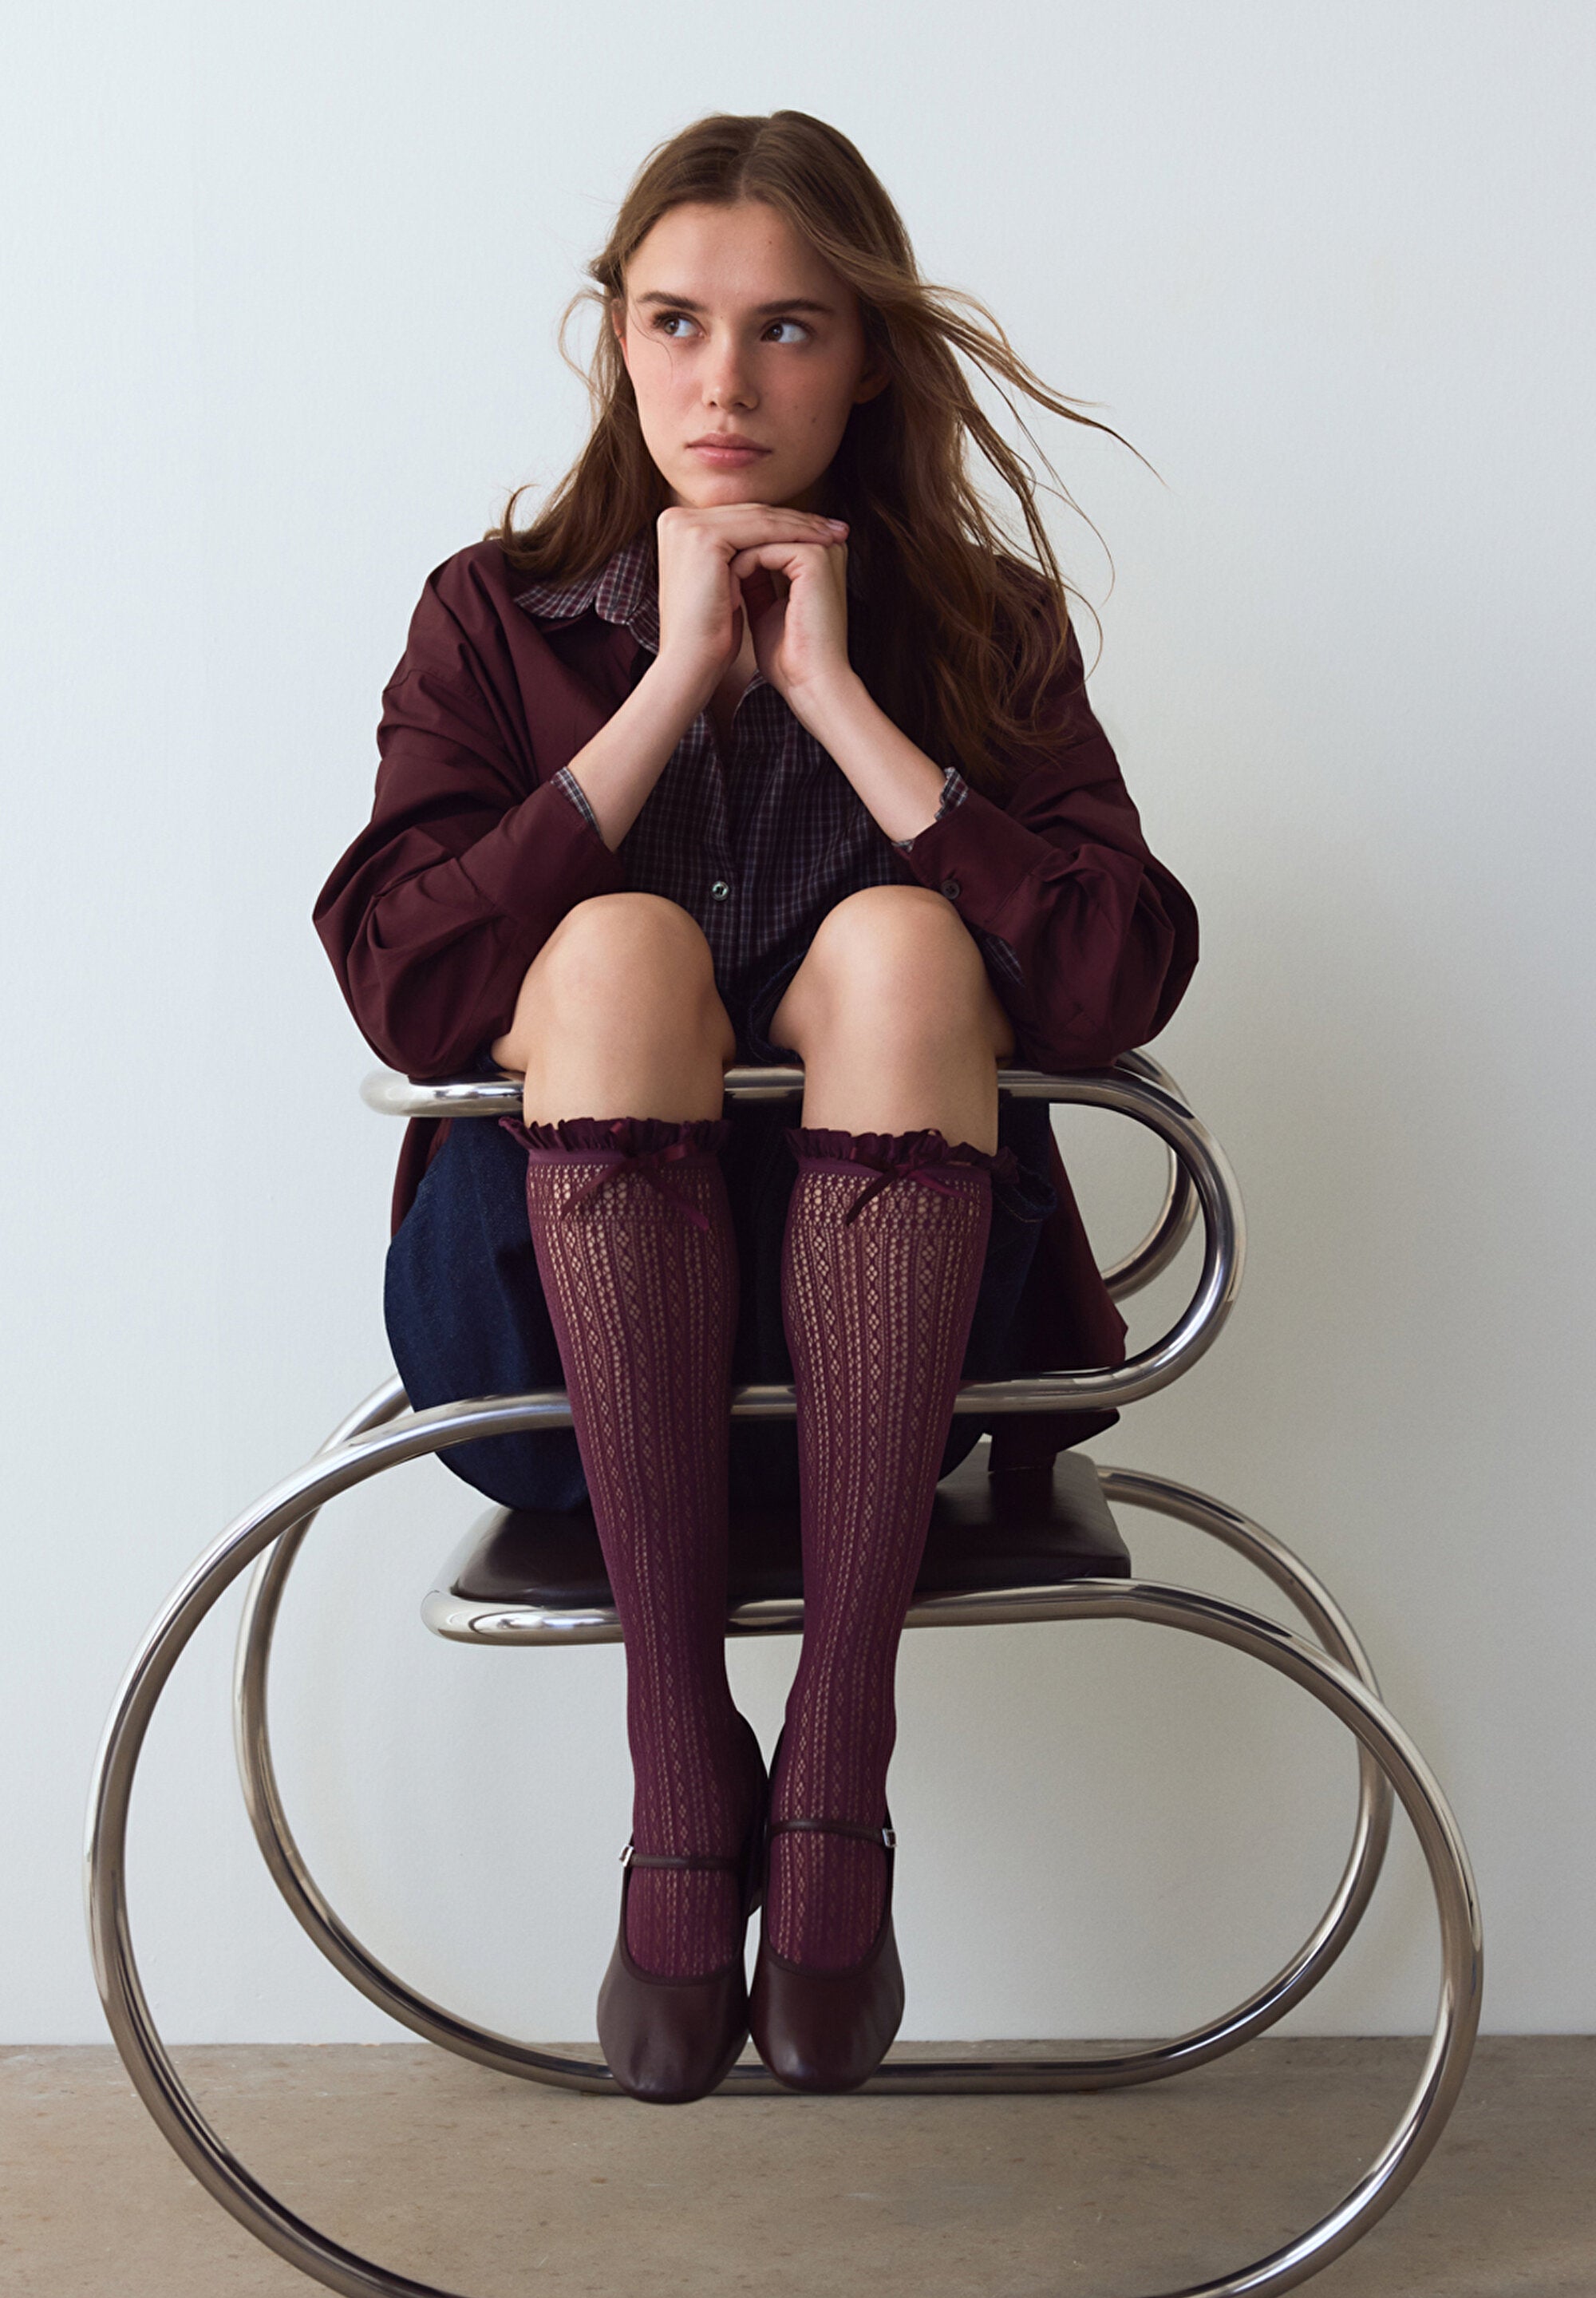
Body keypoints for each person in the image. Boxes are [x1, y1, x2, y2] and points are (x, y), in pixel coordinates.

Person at [314, 109, 1198, 2106]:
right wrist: (666, 685)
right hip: (552, 1368)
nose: (723, 380)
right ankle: (677, 1756)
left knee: (899, 948)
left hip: (875, 1384)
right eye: (676, 321)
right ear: (616, 339)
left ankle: (834, 1758)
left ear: (864, 356)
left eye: (787, 327)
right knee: (617, 952)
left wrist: (837, 702)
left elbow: (1110, 979)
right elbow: (406, 980)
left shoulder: (982, 626)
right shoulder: (495, 619)